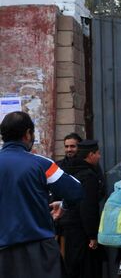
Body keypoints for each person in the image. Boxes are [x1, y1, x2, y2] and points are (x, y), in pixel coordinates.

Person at [0, 111, 82, 277]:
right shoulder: (41, 164)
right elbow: (76, 191)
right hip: (39, 252)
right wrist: (64, 205)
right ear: (28, 134)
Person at [60, 139, 106, 278]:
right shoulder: (88, 176)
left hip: (71, 232)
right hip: (82, 235)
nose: (99, 156)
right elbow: (88, 207)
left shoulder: (71, 171)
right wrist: (92, 236)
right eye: (97, 153)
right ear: (90, 155)